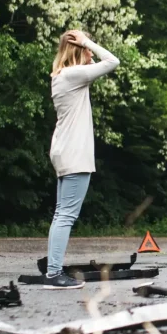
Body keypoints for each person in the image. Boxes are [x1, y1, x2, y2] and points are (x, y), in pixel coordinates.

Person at [44, 29, 120, 289]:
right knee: (66, 215)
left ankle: (53, 271)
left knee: (61, 214)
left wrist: (85, 44)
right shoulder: (73, 75)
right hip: (74, 153)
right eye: (87, 47)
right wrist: (88, 42)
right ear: (79, 49)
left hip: (64, 150)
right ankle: (54, 274)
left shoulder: (63, 76)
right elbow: (113, 61)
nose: (91, 51)